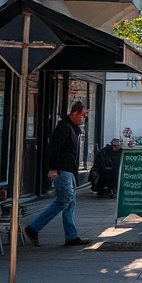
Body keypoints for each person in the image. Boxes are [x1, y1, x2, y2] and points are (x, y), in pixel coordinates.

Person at [24, 101, 92, 247]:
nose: (84, 119)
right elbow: (54, 149)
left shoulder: (72, 128)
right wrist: (54, 168)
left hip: (68, 171)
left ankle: (71, 236)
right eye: (83, 115)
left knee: (69, 203)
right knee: (64, 201)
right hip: (63, 171)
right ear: (74, 113)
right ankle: (34, 227)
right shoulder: (64, 127)